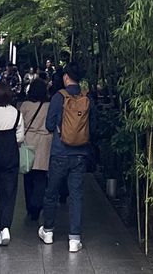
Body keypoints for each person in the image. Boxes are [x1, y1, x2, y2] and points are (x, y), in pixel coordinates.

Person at [38, 61, 94, 253]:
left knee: (51, 192)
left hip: (60, 152)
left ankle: (48, 231)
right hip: (80, 154)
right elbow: (93, 127)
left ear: (65, 77)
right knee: (76, 195)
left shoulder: (58, 97)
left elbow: (49, 125)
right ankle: (74, 238)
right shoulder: (87, 98)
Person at [0, 82, 24, 244]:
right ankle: (5, 227)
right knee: (8, 192)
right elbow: (20, 138)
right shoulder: (16, 113)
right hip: (10, 155)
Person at [19, 78, 52, 222]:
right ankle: (37, 205)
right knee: (41, 176)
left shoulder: (25, 105)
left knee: (28, 175)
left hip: (29, 140)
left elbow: (20, 124)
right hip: (44, 141)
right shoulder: (48, 105)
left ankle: (30, 206)